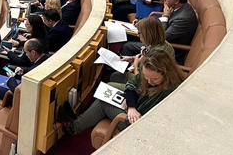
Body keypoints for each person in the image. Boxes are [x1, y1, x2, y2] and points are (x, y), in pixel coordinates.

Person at [57, 50, 185, 136]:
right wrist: (131, 105)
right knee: (106, 91)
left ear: (166, 73)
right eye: (146, 77)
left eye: (154, 79)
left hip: (137, 122)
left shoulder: (170, 91)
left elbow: (152, 118)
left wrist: (133, 108)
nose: (149, 81)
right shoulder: (149, 72)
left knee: (103, 103)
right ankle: (80, 119)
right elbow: (131, 85)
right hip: (133, 108)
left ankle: (74, 127)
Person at [120, 0, 198, 64]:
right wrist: (143, 22)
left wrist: (165, 16)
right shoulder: (177, 7)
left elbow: (163, 36)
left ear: (176, 1)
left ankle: (129, 71)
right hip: (158, 43)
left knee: (127, 46)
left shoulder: (183, 19)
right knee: (128, 35)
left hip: (165, 51)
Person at [110, 17, 175, 88]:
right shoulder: (160, 43)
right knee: (115, 76)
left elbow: (143, 80)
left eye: (140, 33)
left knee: (110, 85)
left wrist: (135, 65)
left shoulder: (157, 54)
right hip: (144, 77)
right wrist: (132, 58)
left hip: (147, 86)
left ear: (148, 35)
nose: (138, 36)